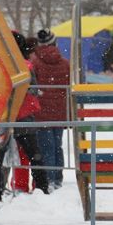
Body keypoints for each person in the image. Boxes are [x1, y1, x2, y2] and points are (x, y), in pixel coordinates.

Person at [0, 32, 50, 207]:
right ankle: (43, 190)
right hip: (23, 116)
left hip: (1, 117)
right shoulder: (25, 66)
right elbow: (34, 90)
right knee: (33, 154)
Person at [31, 28, 70, 191]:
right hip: (59, 111)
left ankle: (49, 178)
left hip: (41, 112)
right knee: (57, 145)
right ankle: (58, 177)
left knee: (45, 147)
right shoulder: (65, 63)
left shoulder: (34, 62)